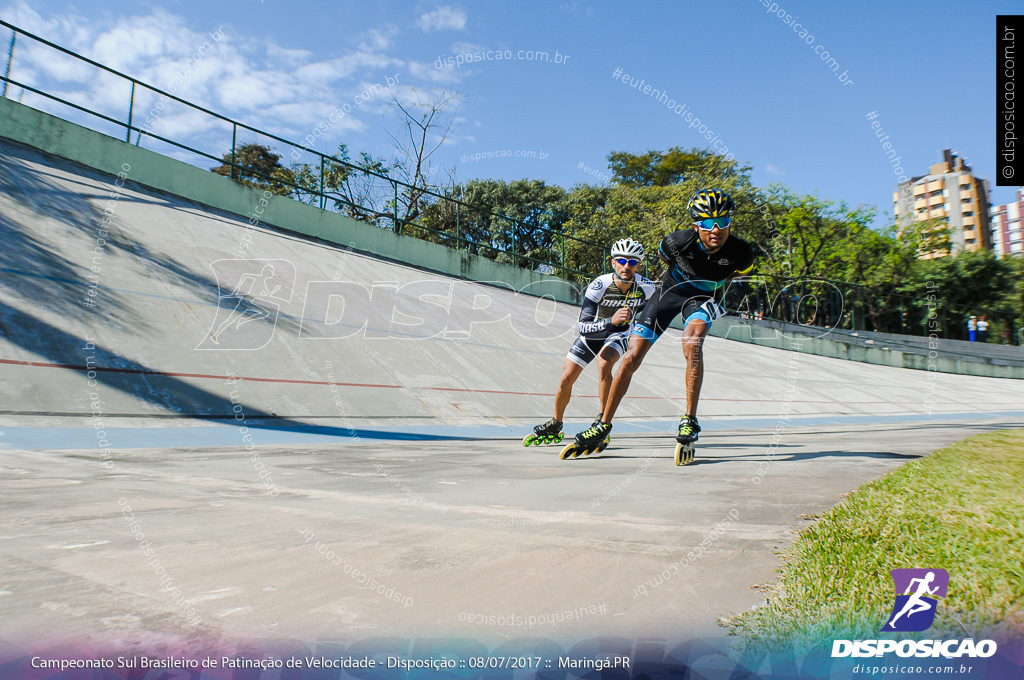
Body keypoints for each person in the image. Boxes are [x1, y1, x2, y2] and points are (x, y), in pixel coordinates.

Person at [569, 188, 755, 452]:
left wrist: (715, 291)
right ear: (695, 225)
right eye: (707, 223)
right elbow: (665, 259)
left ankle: (689, 419)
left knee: (692, 344)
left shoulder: (741, 252)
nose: (716, 229)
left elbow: (737, 275)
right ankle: (603, 424)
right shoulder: (676, 243)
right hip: (669, 294)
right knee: (631, 357)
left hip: (701, 298)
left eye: (723, 222)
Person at [525, 239, 656, 445]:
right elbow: (583, 326)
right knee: (566, 376)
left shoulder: (647, 288)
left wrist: (636, 326)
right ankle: (556, 422)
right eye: (621, 261)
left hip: (620, 333)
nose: (626, 266)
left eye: (632, 262)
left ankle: (601, 422)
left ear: (638, 265)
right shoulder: (600, 284)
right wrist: (609, 321)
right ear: (613, 263)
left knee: (604, 363)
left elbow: (653, 315)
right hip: (595, 331)